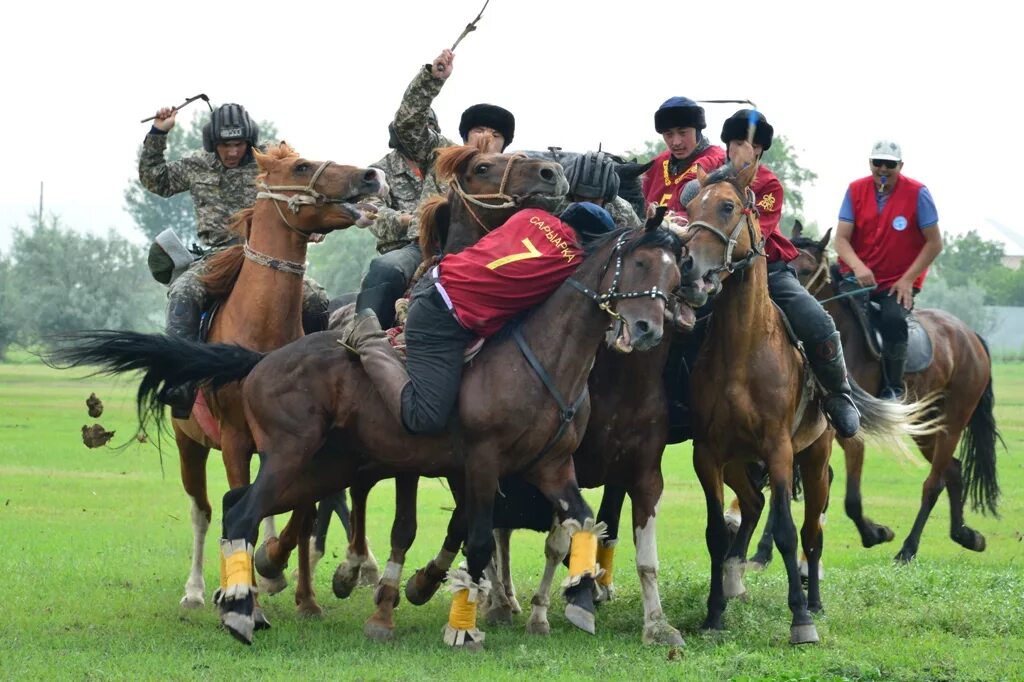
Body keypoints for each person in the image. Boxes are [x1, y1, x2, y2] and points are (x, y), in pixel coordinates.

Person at [346, 203, 616, 435]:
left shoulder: (528, 215)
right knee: (425, 418)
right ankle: (369, 337)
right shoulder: (574, 262)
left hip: (435, 284)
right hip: (444, 317)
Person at [139, 102, 329, 417]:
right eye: (225, 145)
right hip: (216, 256)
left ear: (248, 141)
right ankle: (180, 380)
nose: (231, 151)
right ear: (213, 143)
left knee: (316, 299)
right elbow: (154, 179)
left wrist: (315, 228)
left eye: (238, 144)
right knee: (184, 291)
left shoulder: (266, 166)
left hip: (266, 257)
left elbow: (307, 192)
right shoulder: (197, 165)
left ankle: (320, 375)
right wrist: (159, 132)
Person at [679, 109, 860, 438]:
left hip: (766, 270)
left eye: (747, 144)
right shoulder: (706, 175)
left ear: (760, 150)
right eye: (734, 143)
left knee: (817, 321)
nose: (740, 150)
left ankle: (838, 394)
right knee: (677, 324)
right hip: (710, 269)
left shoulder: (769, 184)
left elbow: (755, 237)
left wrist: (738, 175)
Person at [353, 48, 516, 324]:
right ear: (465, 136)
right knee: (386, 268)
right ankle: (363, 335)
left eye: (495, 133)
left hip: (487, 252)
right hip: (426, 246)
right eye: (478, 130)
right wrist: (432, 78)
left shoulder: (514, 172)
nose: (486, 136)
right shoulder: (443, 154)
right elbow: (408, 124)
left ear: (505, 144)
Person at [834, 140, 943, 399]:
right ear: (870, 163)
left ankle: (893, 388)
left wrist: (908, 280)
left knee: (893, 320)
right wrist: (858, 267)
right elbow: (841, 239)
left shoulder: (918, 193)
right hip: (856, 278)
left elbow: (934, 243)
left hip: (896, 283)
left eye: (890, 164)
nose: (883, 169)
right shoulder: (855, 190)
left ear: (900, 166)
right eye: (877, 163)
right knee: (832, 313)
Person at [641, 97, 726, 214]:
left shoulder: (718, 161)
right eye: (668, 134)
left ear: (697, 131)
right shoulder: (656, 164)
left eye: (682, 132)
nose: (676, 142)